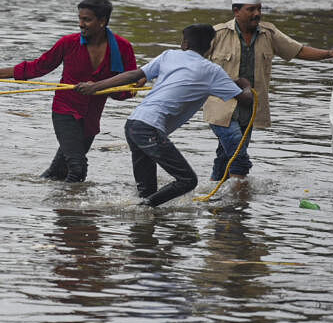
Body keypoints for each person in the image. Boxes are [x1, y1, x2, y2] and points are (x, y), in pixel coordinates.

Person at [75, 24, 253, 207]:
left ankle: (142, 219)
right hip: (149, 130)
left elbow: (133, 74)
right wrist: (245, 84)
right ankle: (141, 210)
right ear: (210, 47)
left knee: (147, 193)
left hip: (133, 124)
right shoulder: (213, 71)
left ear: (184, 44)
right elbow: (245, 100)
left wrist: (94, 87)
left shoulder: (169, 55)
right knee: (188, 181)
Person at [0, 0, 138, 182]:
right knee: (77, 169)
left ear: (102, 21)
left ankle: (34, 193)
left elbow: (128, 87)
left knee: (57, 173)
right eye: (80, 18)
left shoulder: (122, 47)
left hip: (91, 117)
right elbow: (38, 67)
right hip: (65, 112)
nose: (81, 24)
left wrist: (104, 88)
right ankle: (72, 210)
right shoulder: (68, 43)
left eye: (87, 19)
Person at [203, 0, 333, 181]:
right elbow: (190, 59)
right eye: (251, 9)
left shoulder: (269, 34)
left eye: (259, 9)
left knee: (225, 154)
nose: (257, 14)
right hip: (220, 107)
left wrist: (328, 54)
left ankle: (215, 192)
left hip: (249, 107)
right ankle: (240, 199)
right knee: (238, 154)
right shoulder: (217, 34)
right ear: (236, 11)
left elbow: (298, 50)